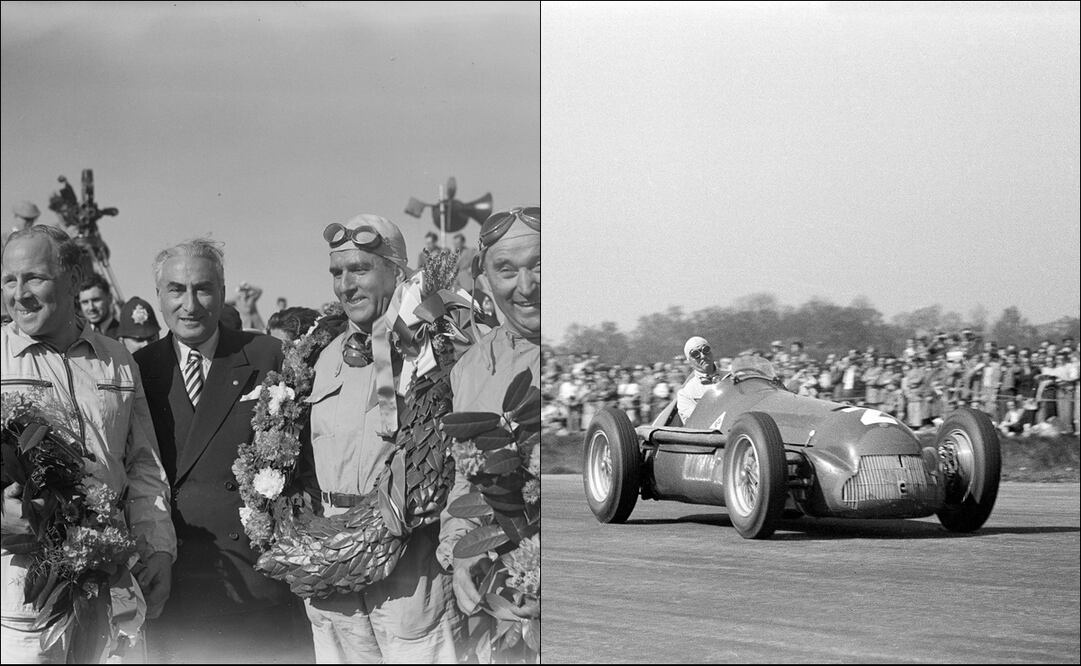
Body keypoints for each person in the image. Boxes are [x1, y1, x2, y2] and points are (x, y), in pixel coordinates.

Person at [1, 225, 176, 662]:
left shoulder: (117, 358)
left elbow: (142, 466)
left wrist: (158, 549)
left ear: (75, 279)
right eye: (8, 279)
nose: (18, 293)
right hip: (21, 607)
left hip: (112, 590)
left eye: (34, 278)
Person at [132, 238, 311, 663]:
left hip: (259, 583)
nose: (190, 304)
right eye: (176, 290)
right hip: (175, 580)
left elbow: (303, 464)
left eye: (203, 289)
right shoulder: (139, 369)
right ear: (159, 296)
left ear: (223, 290)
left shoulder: (266, 354)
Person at [303, 214, 459, 663]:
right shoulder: (323, 355)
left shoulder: (434, 350)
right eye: (337, 272)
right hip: (332, 558)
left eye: (360, 270)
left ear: (396, 270)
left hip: (407, 568)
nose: (345, 285)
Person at [438, 205, 540, 662]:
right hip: (505, 604)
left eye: (540, 266)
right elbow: (467, 482)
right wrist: (461, 553)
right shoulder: (470, 369)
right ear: (484, 279)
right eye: (507, 270)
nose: (527, 286)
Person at [676, 336, 719, 424]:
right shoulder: (686, 393)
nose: (703, 356)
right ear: (689, 361)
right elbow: (694, 425)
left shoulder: (732, 377)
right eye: (695, 355)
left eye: (705, 350)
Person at [79, 271, 120, 338]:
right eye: (85, 302)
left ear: (109, 299)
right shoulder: (78, 338)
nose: (91, 307)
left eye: (96, 300)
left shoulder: (125, 337)